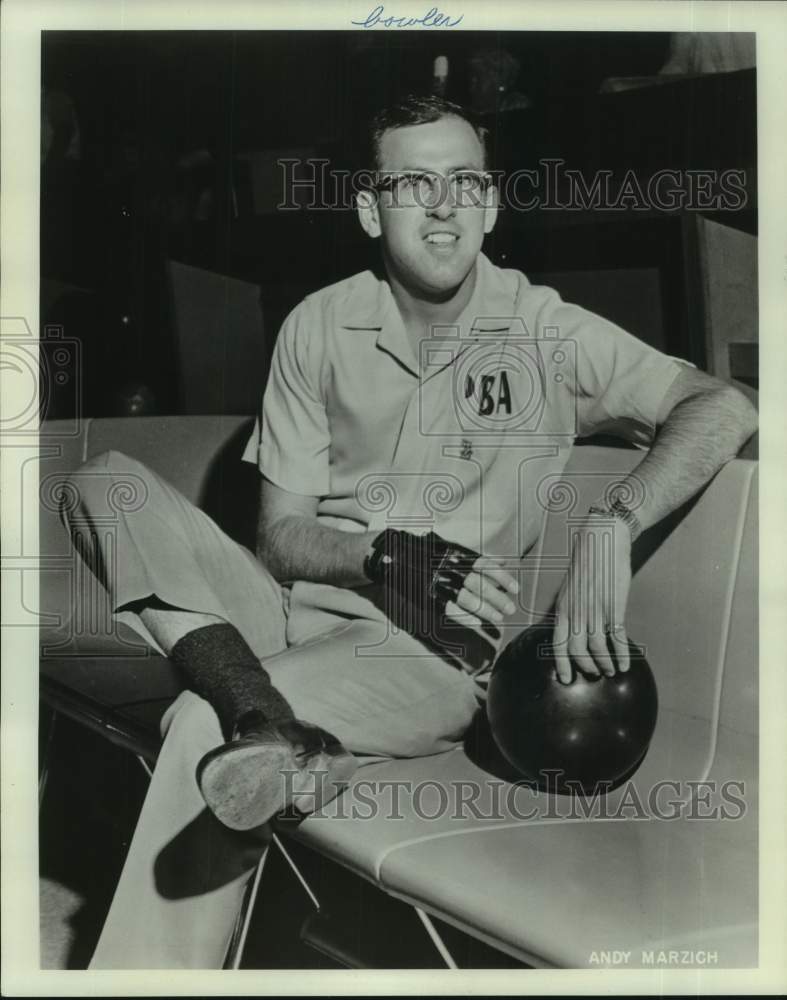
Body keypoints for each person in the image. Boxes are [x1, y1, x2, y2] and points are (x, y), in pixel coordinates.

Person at [63, 94, 758, 969]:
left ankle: (240, 741)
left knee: (204, 723)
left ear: (492, 203)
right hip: (282, 607)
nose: (443, 205)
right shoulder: (319, 323)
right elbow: (279, 537)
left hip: (423, 657)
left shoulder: (544, 331)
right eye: (414, 182)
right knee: (103, 483)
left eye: (465, 180)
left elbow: (721, 403)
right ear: (368, 207)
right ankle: (271, 718)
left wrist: (609, 523)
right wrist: (385, 553)